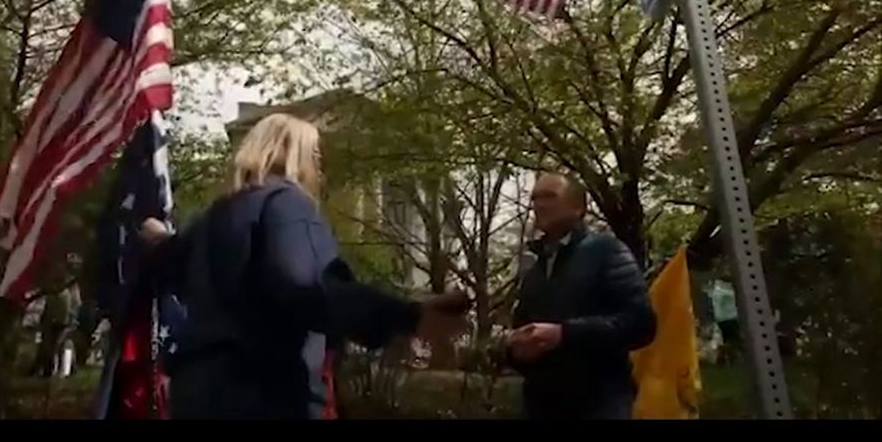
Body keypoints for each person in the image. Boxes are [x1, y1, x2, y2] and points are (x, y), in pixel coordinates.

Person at [139, 113, 470, 420]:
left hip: (194, 397)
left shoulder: (208, 221)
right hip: (265, 396)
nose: (319, 168)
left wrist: (158, 242)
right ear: (296, 156)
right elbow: (306, 287)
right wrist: (406, 316)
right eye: (315, 155)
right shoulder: (285, 203)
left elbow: (171, 267)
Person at [505, 172, 657, 420]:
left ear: (578, 207)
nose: (540, 205)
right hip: (542, 404)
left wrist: (564, 334)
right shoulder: (535, 268)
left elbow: (641, 323)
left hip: (599, 402)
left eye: (549, 196)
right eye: (535, 198)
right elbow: (522, 328)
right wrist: (515, 349)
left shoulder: (607, 251)